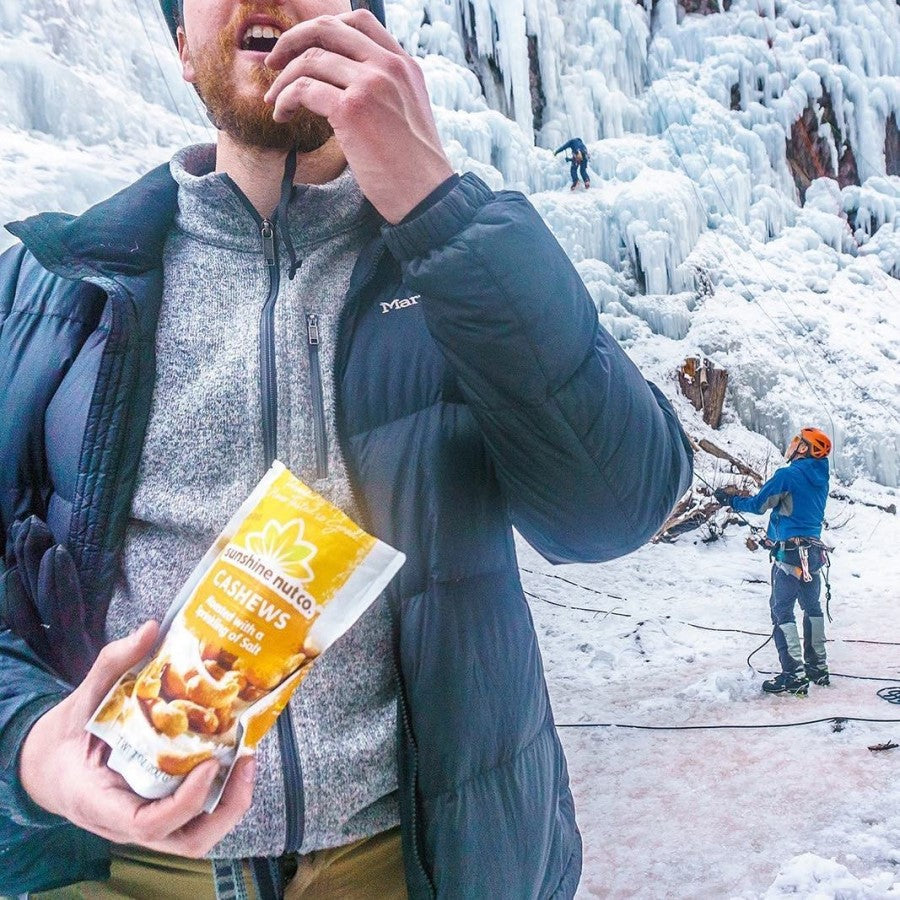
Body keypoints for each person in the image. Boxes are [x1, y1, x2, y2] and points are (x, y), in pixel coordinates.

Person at [0, 2, 693, 897]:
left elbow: (615, 509)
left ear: (368, 33)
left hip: (413, 865)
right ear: (180, 50)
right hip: (116, 865)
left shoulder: (466, 264)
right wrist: (29, 746)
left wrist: (436, 205)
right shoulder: (46, 290)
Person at [716, 428, 832, 697]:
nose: (793, 444)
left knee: (782, 610)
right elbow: (797, 510)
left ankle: (794, 675)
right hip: (814, 554)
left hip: (789, 554)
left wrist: (730, 500)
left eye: (797, 441)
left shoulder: (787, 475)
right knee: (812, 608)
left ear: (803, 449)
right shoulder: (821, 478)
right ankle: (818, 668)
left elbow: (759, 505)